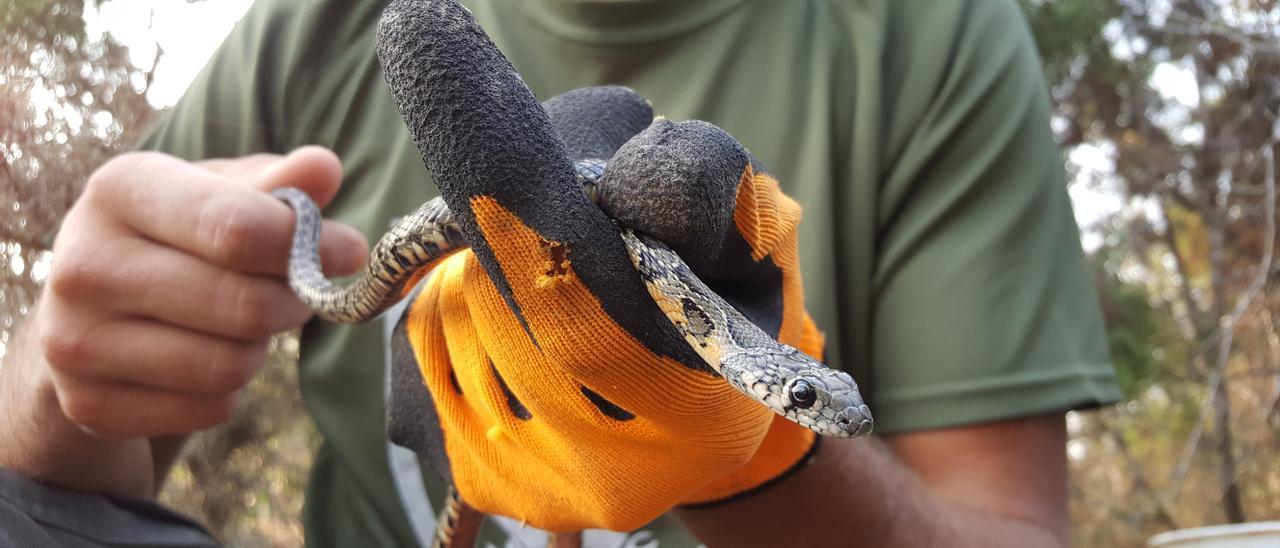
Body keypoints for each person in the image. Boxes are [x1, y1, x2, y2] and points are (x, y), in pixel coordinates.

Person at [0, 0, 1121, 546]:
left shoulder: (928, 37)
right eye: (799, 402)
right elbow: (52, 471)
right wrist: (58, 375)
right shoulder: (317, 25)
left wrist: (763, 465)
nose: (814, 409)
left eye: (801, 403)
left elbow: (1007, 520)